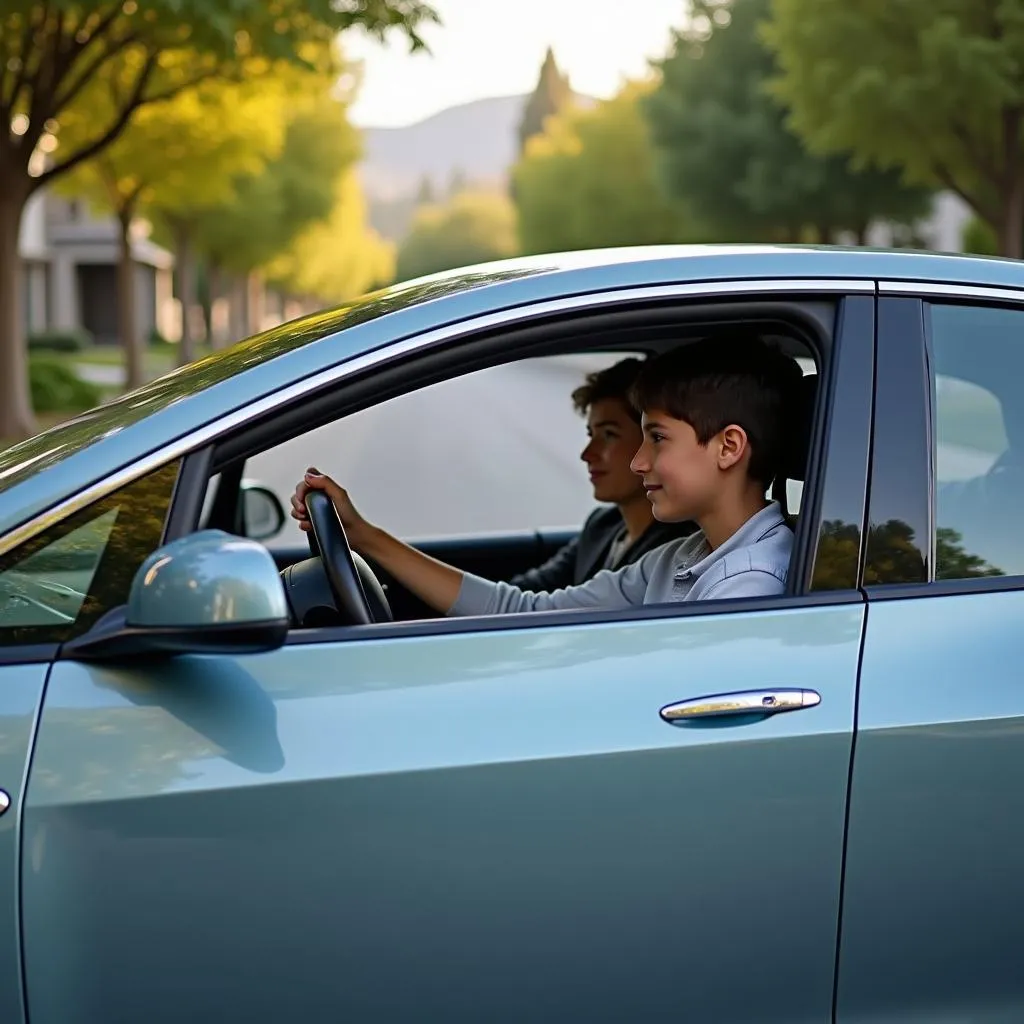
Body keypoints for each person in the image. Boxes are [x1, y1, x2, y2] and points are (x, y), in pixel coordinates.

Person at [290, 332, 802, 617]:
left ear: (729, 447)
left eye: (657, 438)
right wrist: (365, 537)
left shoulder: (749, 584)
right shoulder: (679, 559)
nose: (638, 460)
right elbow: (525, 610)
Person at [508, 357, 696, 591]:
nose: (588, 454)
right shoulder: (602, 524)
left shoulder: (680, 549)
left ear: (655, 441)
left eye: (609, 435)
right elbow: (531, 591)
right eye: (591, 435)